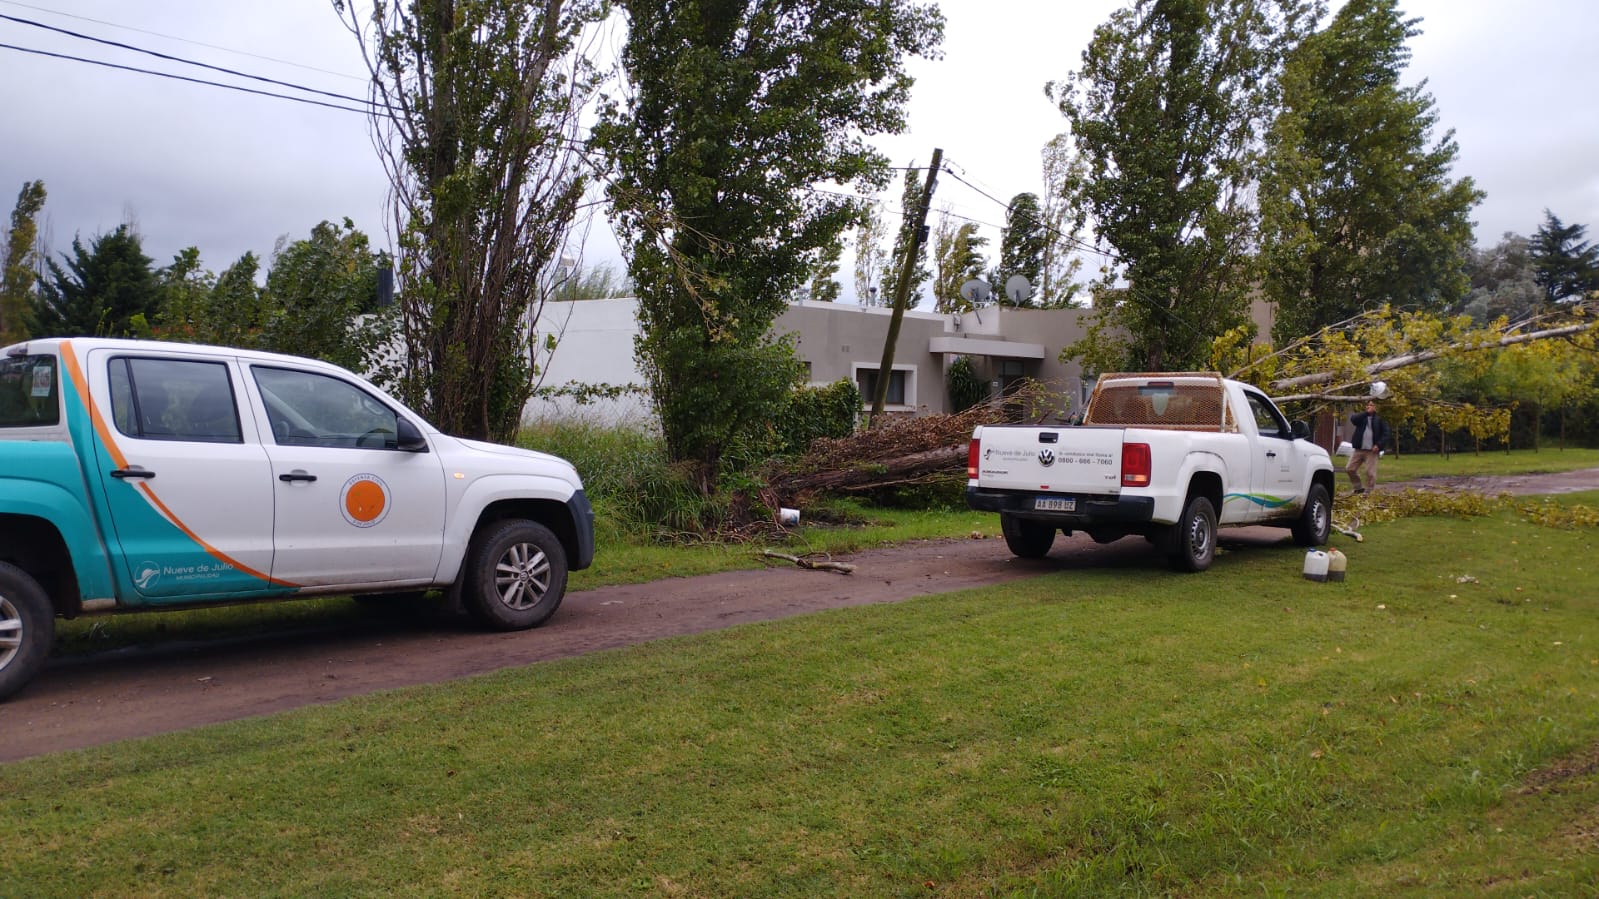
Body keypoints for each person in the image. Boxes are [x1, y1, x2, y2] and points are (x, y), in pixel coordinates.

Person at [1346, 400, 1392, 494]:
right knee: (1350, 469)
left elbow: (1386, 433)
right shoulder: (1362, 417)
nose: (1368, 407)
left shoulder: (1380, 418)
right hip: (1359, 449)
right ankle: (1358, 488)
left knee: (1370, 472)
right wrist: (1366, 413)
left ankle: (1369, 491)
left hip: (1372, 450)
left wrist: (1378, 445)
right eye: (1367, 405)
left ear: (1376, 407)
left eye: (1371, 405)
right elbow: (1353, 419)